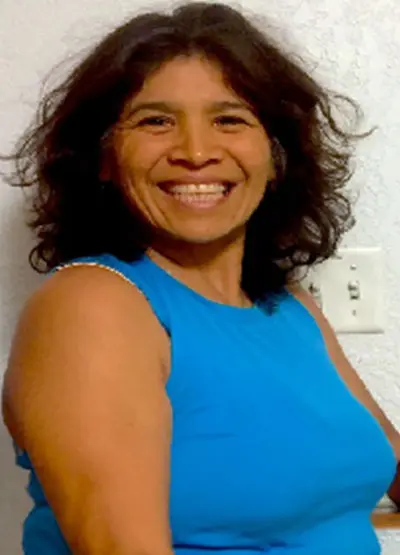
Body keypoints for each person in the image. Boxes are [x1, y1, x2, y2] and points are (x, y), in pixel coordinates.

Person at [1, 2, 399, 554]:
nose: (195, 152)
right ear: (104, 158)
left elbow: (388, 467)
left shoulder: (289, 308)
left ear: (276, 155)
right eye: (155, 121)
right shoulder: (92, 306)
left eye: (230, 119)